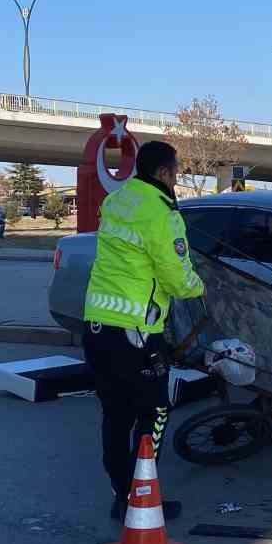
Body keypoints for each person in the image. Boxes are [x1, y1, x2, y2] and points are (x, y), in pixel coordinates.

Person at [82, 141, 204, 521]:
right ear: (165, 173)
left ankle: (122, 494)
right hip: (136, 331)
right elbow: (178, 278)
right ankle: (142, 496)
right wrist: (201, 286)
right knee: (155, 410)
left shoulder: (118, 200)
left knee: (115, 414)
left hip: (97, 324)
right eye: (177, 172)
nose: (177, 178)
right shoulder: (162, 213)